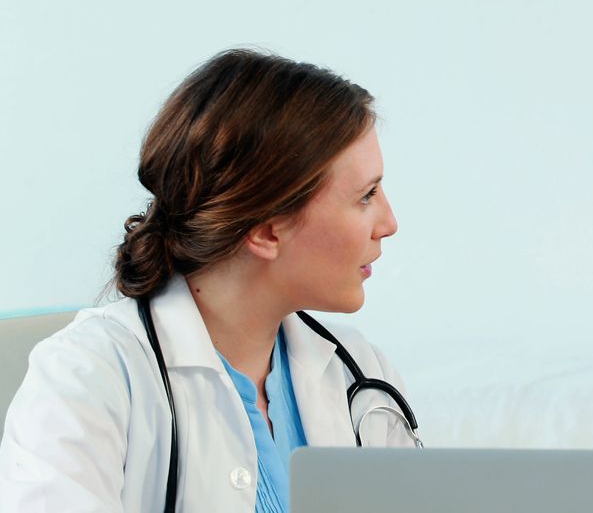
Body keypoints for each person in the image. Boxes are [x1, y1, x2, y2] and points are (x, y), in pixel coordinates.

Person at [0, 49, 418, 512]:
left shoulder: (358, 371)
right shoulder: (87, 380)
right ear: (265, 229)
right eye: (366, 196)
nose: (389, 222)